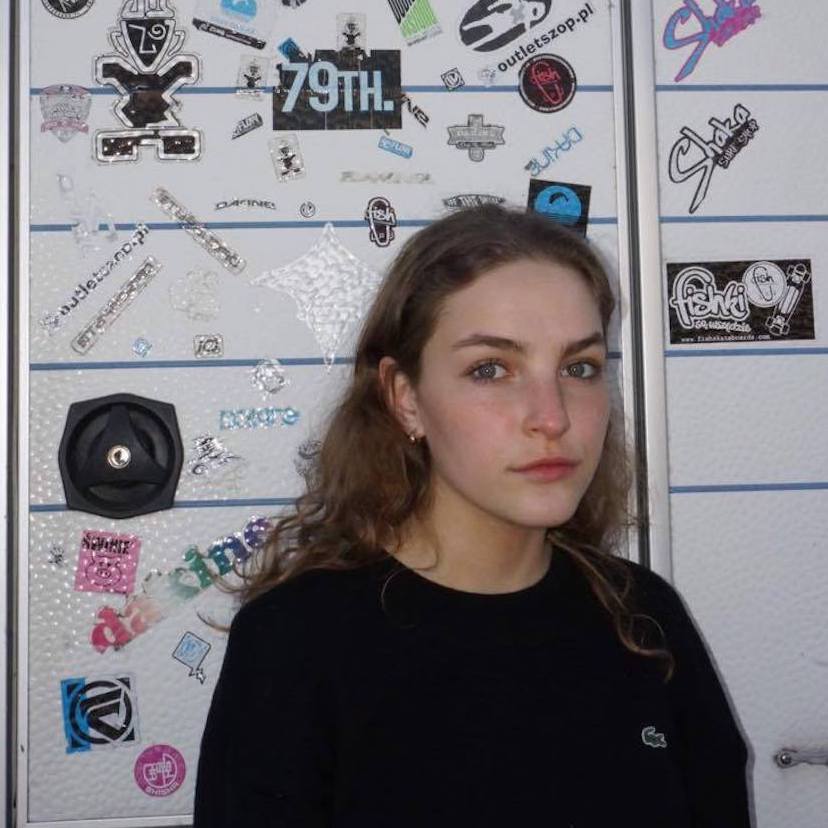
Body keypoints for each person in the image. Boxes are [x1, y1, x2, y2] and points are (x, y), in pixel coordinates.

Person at [193, 205, 751, 827]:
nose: (553, 416)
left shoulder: (644, 617)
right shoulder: (295, 645)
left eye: (579, 368)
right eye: (491, 369)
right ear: (405, 398)